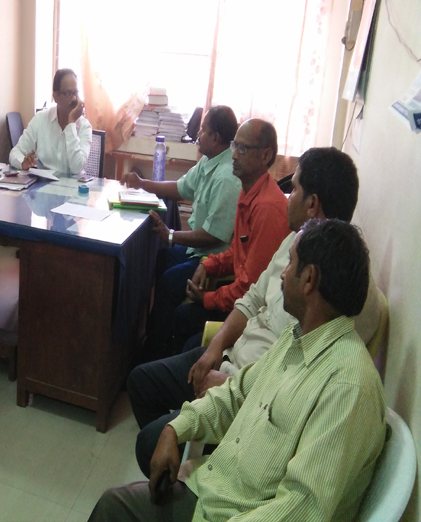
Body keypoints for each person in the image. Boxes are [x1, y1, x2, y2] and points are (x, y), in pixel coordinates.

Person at [90, 219, 386, 522]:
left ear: (309, 279)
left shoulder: (348, 388)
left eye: (291, 264)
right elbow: (235, 394)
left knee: (112, 509)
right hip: (219, 491)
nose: (283, 274)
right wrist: (175, 428)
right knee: (116, 501)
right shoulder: (295, 340)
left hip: (234, 513)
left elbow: (300, 510)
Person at [128, 147, 381, 478]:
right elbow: (252, 297)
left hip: (252, 398)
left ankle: (195, 465)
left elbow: (296, 383)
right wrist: (216, 347)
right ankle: (181, 460)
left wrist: (230, 385)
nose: (287, 196)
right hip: (232, 361)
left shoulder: (338, 292)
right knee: (141, 383)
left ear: (312, 204)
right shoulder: (295, 241)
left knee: (148, 442)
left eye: (294, 188)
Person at [159, 118, 290, 358]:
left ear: (266, 155)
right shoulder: (248, 191)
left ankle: (164, 370)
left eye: (243, 148)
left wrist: (209, 298)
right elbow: (238, 252)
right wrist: (209, 264)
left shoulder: (268, 207)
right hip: (239, 296)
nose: (234, 155)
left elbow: (251, 287)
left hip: (251, 311)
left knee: (182, 319)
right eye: (234, 146)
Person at [121, 106, 242, 361]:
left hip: (213, 258)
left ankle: (155, 354)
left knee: (169, 281)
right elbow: (179, 188)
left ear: (216, 138)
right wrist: (142, 184)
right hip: (198, 250)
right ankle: (152, 337)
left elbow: (214, 235)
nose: (198, 134)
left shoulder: (227, 177)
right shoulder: (209, 161)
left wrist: (171, 235)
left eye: (203, 130)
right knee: (162, 258)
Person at [9, 68, 92, 175]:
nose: (74, 99)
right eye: (68, 94)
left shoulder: (84, 126)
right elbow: (15, 153)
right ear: (55, 96)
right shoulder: (40, 119)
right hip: (43, 183)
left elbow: (77, 168)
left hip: (72, 185)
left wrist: (71, 122)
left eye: (75, 93)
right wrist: (23, 163)